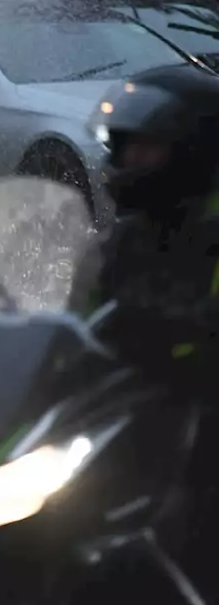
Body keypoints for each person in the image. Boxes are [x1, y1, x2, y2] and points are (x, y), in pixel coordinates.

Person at [68, 63, 219, 378]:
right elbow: (79, 328)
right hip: (127, 407)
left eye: (146, 147)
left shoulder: (211, 234)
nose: (130, 159)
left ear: (195, 150)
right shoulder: (122, 239)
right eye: (124, 147)